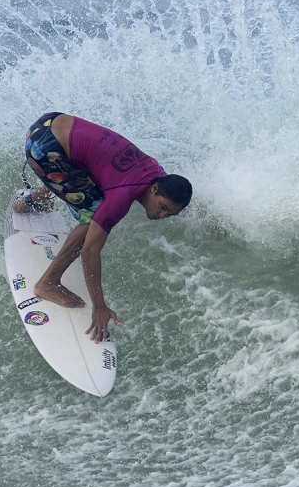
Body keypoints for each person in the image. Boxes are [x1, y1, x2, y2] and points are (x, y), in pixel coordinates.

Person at [16, 112, 192, 343]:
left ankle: (34, 201)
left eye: (169, 214)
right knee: (94, 212)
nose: (162, 215)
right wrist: (99, 306)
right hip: (42, 149)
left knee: (91, 175)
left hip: (48, 123)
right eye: (162, 207)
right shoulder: (123, 195)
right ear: (154, 190)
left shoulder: (156, 173)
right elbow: (90, 251)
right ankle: (48, 283)